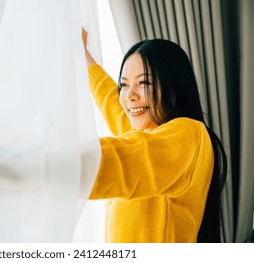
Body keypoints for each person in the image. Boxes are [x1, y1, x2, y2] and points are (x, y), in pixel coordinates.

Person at [82, 29, 227, 243]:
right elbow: (108, 98)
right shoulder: (143, 128)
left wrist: (42, 165)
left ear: (173, 86)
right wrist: (82, 51)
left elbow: (123, 160)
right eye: (124, 84)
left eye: (144, 83)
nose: (130, 96)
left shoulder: (188, 134)